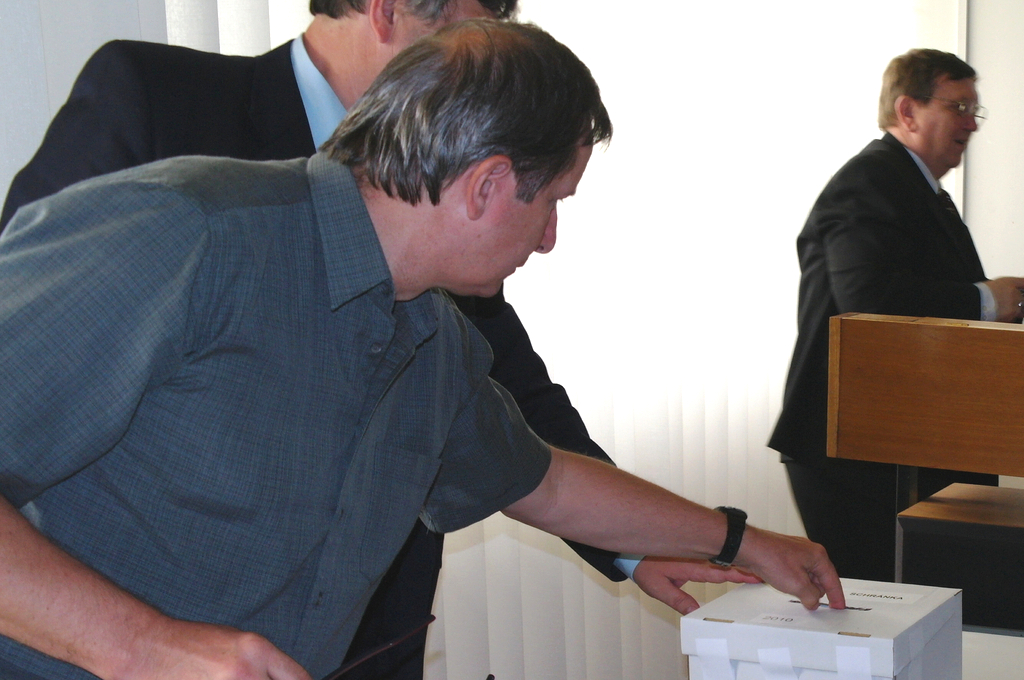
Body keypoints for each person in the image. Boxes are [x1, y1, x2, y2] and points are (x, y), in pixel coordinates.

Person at [0, 19, 844, 680]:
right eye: (552, 202)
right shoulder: (189, 232)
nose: (549, 239)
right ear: (486, 185)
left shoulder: (432, 339)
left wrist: (738, 540)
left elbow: (544, 482)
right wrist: (140, 647)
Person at [769, 48, 1024, 583]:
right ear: (907, 111)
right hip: (855, 454)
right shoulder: (869, 181)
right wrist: (986, 300)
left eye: (974, 110)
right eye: (957, 107)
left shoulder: (919, 189)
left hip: (910, 445)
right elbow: (868, 299)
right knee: (885, 615)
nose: (971, 124)